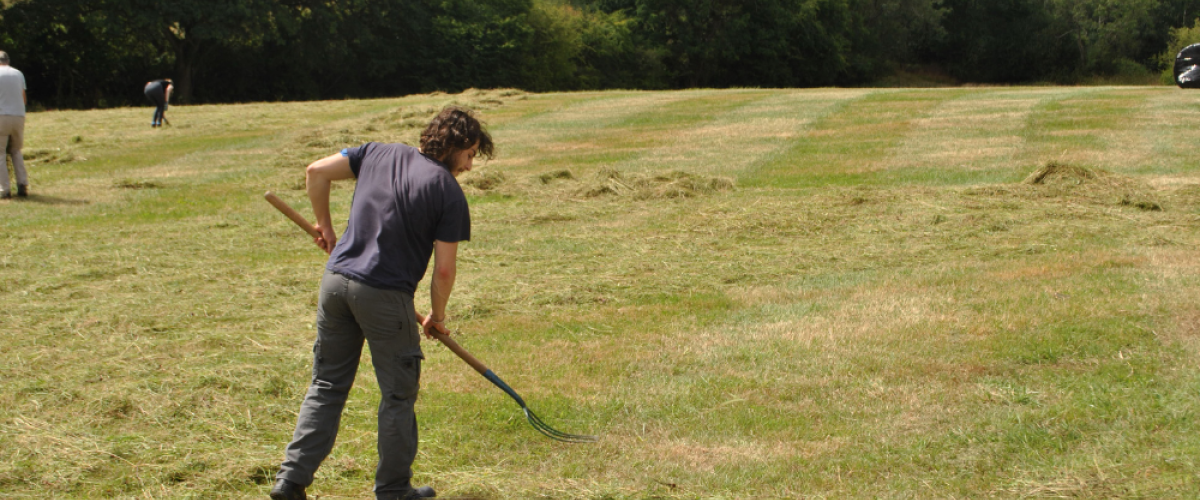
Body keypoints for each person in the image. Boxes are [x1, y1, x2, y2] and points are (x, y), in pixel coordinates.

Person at [271, 106, 494, 500]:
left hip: (335, 285)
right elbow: (444, 272)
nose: (471, 166)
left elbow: (315, 172)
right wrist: (437, 317)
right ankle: (393, 490)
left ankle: (290, 482)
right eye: (471, 154)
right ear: (455, 146)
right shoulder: (447, 192)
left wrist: (325, 227)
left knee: (326, 384)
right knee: (397, 394)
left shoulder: (377, 152)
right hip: (385, 298)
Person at [0, 51, 27, 199]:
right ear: (8, 61)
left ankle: (4, 190)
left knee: (0, 153)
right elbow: (24, 98)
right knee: (16, 151)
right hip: (18, 116)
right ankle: (22, 184)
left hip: (1, 116)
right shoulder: (18, 74)